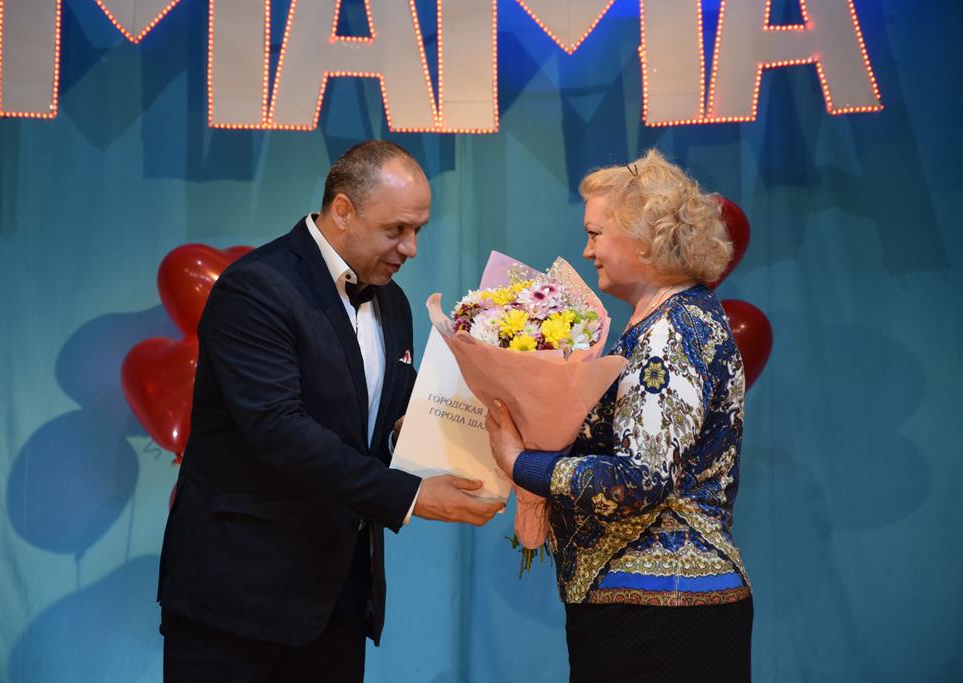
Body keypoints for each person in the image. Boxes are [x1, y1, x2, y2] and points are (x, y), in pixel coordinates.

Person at [157, 140, 503, 682]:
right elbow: (279, 430)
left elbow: (389, 411)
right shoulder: (257, 287)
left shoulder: (392, 301)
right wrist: (410, 495)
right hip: (237, 598)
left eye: (418, 230)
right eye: (396, 230)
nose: (411, 248)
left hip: (336, 597)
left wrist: (459, 433)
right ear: (342, 210)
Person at [487, 149, 753, 682]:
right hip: (658, 611)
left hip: (660, 618)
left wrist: (521, 463)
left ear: (645, 238)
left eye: (595, 234)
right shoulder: (674, 319)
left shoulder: (668, 334)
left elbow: (640, 480)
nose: (586, 250)